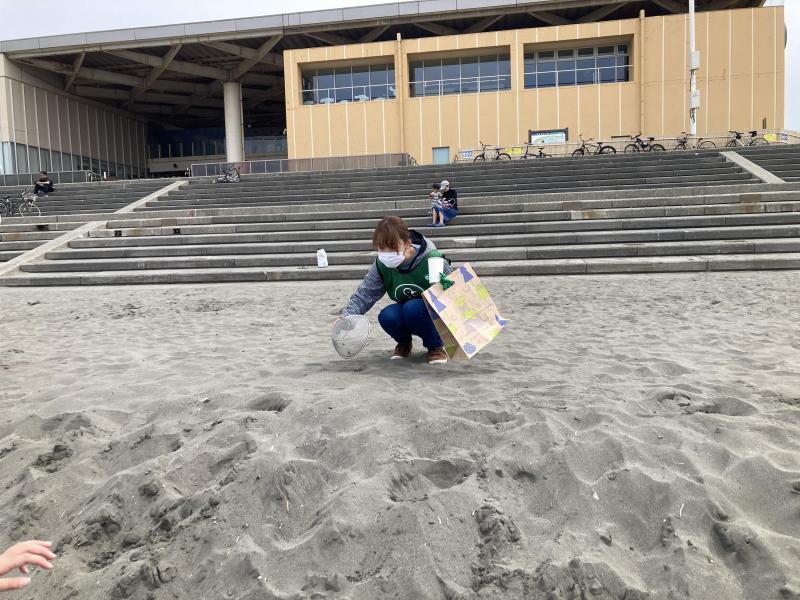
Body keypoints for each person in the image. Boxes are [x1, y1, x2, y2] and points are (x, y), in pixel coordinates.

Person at [340, 216, 451, 364]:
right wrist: (347, 317)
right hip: (406, 309)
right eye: (381, 247)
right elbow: (366, 293)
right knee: (387, 315)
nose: (386, 253)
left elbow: (451, 292)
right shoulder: (381, 264)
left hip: (432, 314)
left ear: (407, 243)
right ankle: (404, 343)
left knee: (413, 308)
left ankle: (435, 347)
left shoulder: (432, 259)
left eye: (392, 247)